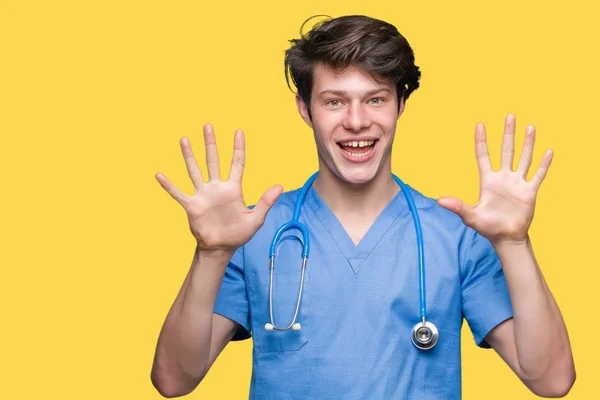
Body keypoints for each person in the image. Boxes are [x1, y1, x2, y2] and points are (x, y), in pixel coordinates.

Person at [150, 15, 575, 399]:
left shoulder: (457, 236)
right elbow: (173, 380)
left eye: (375, 99)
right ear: (305, 109)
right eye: (334, 101)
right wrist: (212, 253)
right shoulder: (254, 232)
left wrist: (514, 243)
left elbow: (552, 379)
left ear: (400, 105)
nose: (356, 121)